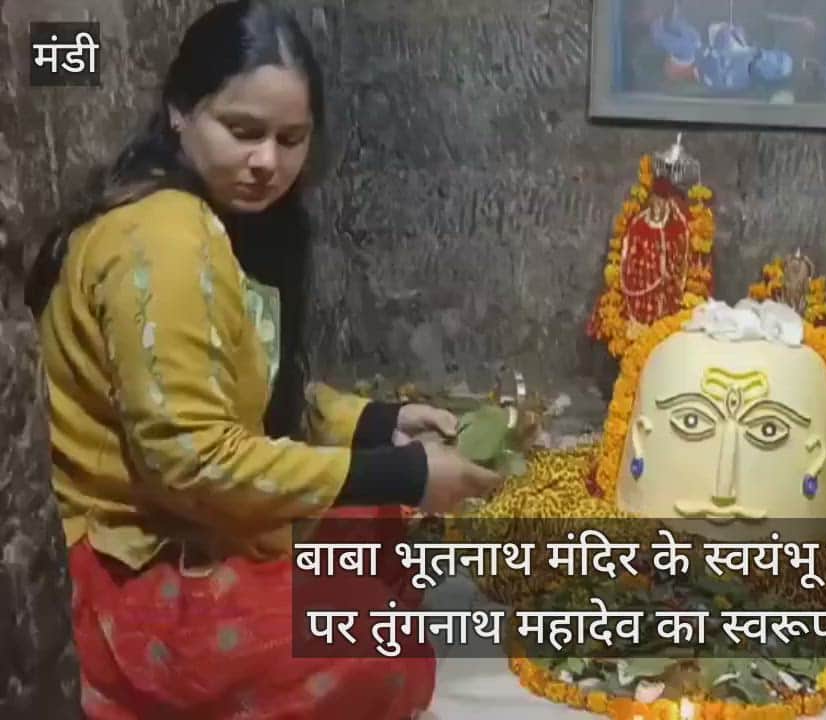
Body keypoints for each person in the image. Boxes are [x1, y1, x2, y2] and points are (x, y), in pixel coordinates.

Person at [23, 1, 501, 718]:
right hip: (138, 573)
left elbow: (252, 380)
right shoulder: (165, 240)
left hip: (200, 525)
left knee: (372, 532)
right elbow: (193, 462)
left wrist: (376, 422)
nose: (267, 162)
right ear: (181, 112)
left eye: (291, 138)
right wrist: (401, 469)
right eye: (242, 131)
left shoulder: (221, 219)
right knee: (376, 647)